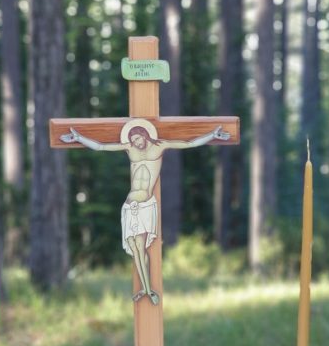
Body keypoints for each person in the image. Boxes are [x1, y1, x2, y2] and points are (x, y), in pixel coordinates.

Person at [60, 120, 230, 305]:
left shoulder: (160, 146)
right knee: (134, 249)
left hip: (145, 205)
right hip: (129, 205)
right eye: (133, 140)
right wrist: (79, 138)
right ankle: (144, 288)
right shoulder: (130, 148)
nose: (136, 143)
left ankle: (149, 290)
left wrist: (212, 135)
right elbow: (101, 146)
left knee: (141, 247)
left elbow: (189, 143)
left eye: (138, 139)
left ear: (145, 135)